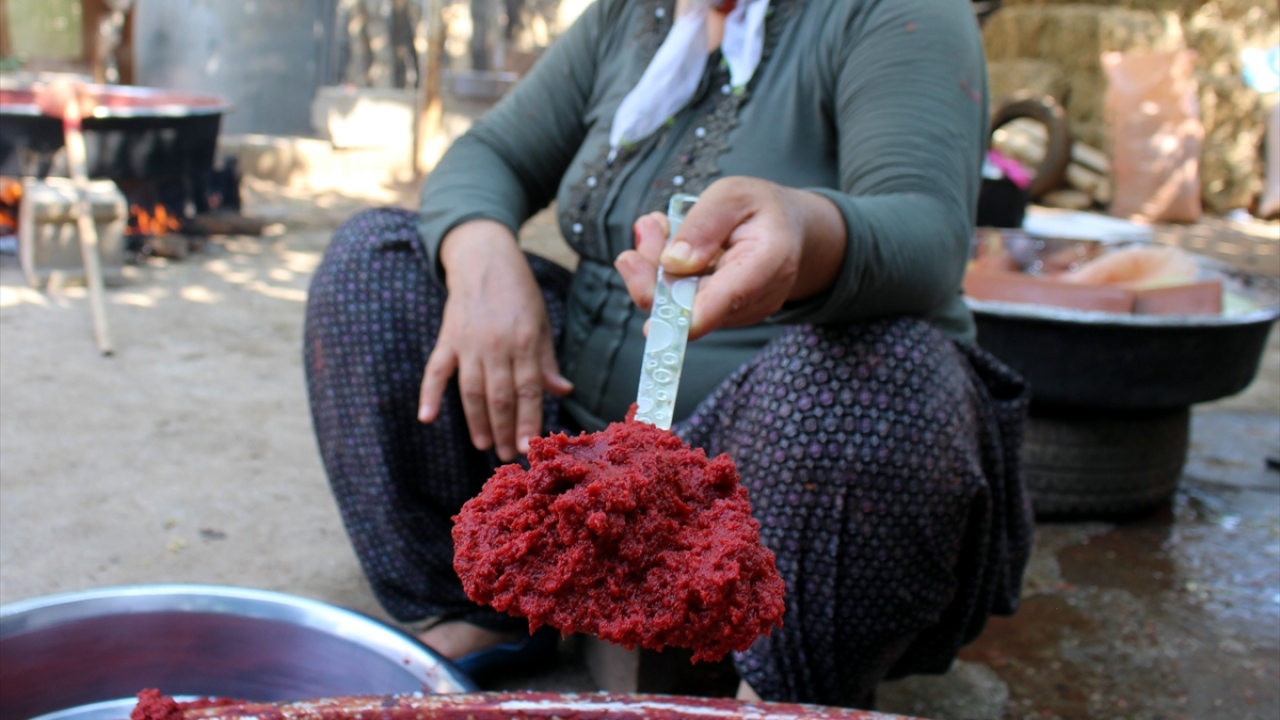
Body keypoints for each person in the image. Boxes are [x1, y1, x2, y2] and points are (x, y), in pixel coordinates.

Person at [304, 0, 1032, 708]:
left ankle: (781, 685)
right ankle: (489, 607)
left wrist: (802, 229)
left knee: (889, 370)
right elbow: (489, 152)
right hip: (565, 446)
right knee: (379, 261)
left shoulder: (893, 11)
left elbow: (929, 233)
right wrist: (483, 259)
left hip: (780, 491)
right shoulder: (634, 15)